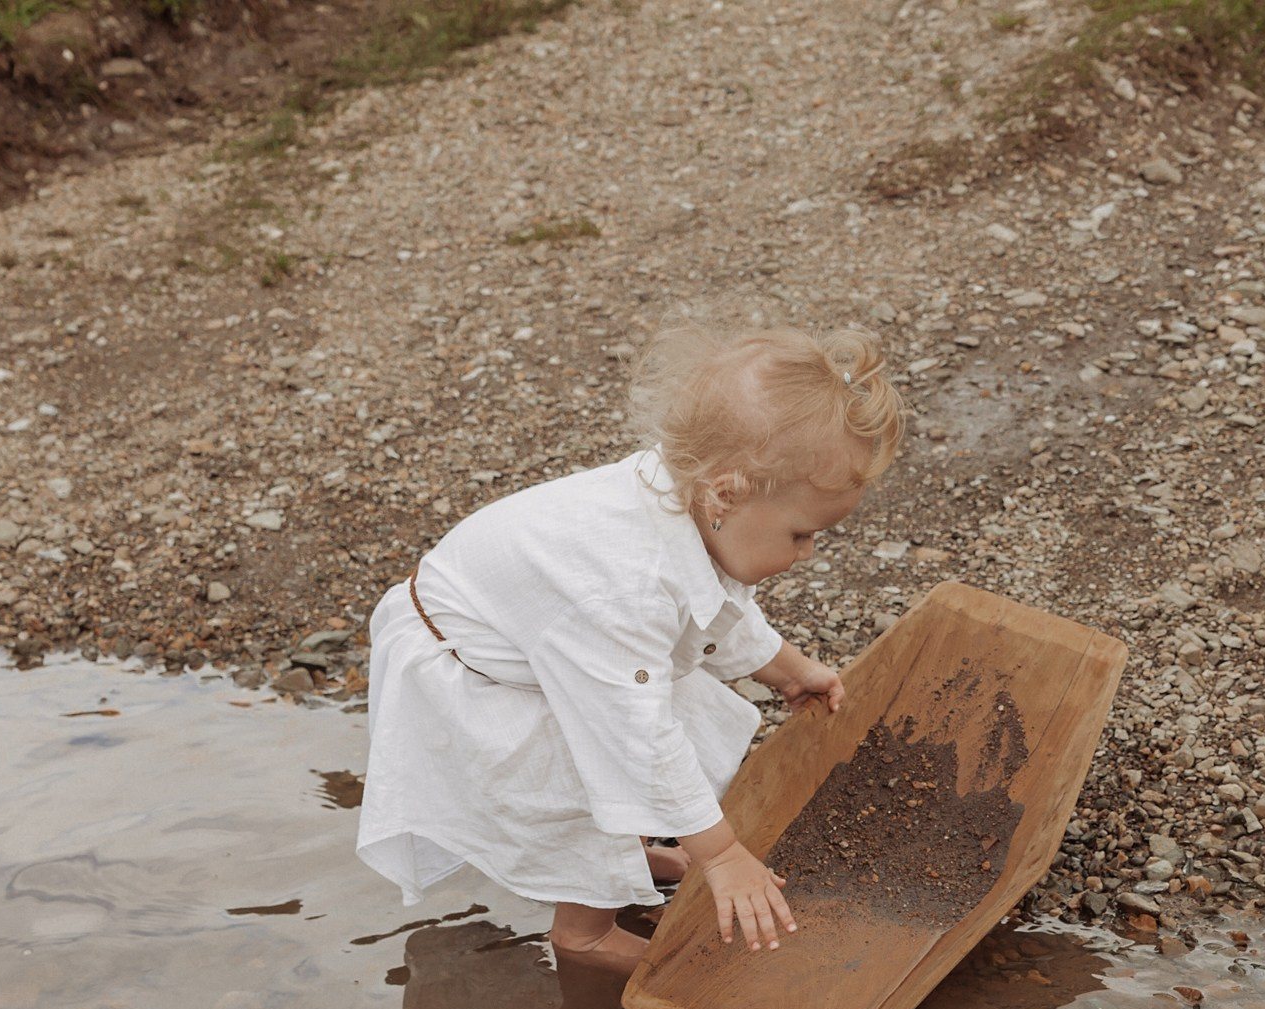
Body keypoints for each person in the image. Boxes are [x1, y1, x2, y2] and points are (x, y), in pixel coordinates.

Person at [356, 323, 903, 974]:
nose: (808, 554)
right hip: (473, 665)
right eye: (801, 534)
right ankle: (583, 932)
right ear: (727, 493)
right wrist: (721, 856)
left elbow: (714, 602)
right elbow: (636, 739)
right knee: (585, 767)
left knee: (632, 735)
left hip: (547, 638)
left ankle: (626, 856)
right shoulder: (625, 589)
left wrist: (787, 669)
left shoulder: (691, 499)